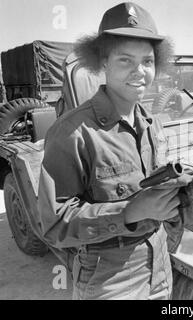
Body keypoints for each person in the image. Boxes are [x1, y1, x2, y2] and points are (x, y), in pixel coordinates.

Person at [37, 2, 179, 300]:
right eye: (125, 60)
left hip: (159, 262)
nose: (140, 72)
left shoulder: (152, 124)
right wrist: (130, 211)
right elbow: (54, 224)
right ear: (103, 62)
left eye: (148, 61)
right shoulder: (71, 133)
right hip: (109, 277)